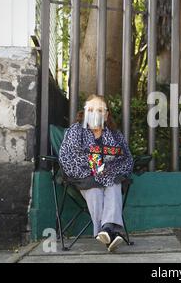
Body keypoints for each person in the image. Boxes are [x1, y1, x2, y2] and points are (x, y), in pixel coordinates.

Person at [59, 94, 134, 252]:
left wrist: (108, 170)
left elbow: (127, 159)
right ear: (85, 113)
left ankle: (106, 230)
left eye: (100, 110)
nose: (95, 113)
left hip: (110, 176)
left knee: (114, 185)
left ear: (106, 115)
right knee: (95, 190)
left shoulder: (115, 135)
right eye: (91, 109)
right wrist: (97, 168)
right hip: (85, 177)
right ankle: (110, 232)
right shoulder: (76, 131)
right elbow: (69, 158)